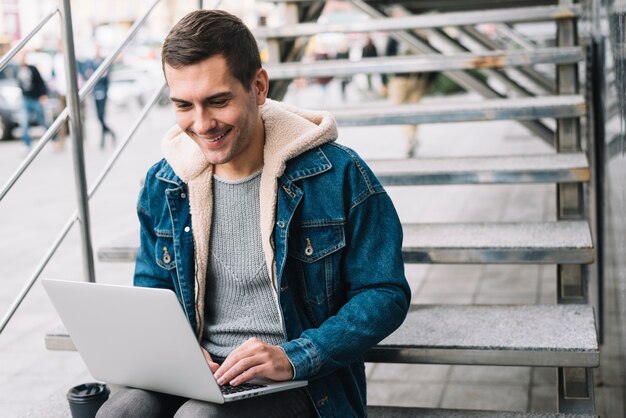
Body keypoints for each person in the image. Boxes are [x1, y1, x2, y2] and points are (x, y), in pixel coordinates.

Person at [96, 9, 410, 418]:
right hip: (201, 370)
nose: (202, 123)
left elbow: (384, 293)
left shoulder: (338, 173)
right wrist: (178, 355)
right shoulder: (165, 182)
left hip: (301, 379)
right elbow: (154, 294)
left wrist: (295, 355)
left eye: (218, 101)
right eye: (183, 105)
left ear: (258, 87)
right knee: (119, 413)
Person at [384, 36, 435, 158]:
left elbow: (386, 56)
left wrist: (384, 81)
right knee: (408, 110)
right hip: (413, 79)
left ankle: (410, 138)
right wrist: (430, 79)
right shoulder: (419, 37)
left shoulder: (394, 36)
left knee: (403, 110)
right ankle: (411, 137)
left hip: (404, 79)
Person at [82, 45, 116, 148]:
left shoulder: (104, 62)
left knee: (101, 115)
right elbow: (86, 74)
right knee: (98, 117)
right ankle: (110, 132)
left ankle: (103, 140)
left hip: (103, 92)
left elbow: (106, 76)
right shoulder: (90, 63)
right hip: (95, 92)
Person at [16, 51, 49, 150]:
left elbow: (41, 82)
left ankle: (53, 138)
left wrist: (43, 95)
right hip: (25, 98)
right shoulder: (17, 70)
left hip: (35, 98)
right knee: (24, 122)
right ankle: (27, 144)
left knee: (42, 120)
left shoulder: (32, 69)